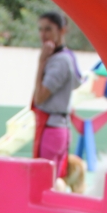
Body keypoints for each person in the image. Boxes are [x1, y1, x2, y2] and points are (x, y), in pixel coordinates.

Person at [32, 11, 82, 179]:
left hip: (52, 129)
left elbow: (39, 97)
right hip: (60, 128)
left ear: (62, 30)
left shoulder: (59, 60)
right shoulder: (68, 57)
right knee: (54, 181)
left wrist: (41, 62)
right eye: (41, 29)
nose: (43, 34)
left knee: (43, 181)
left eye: (48, 29)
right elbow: (77, 82)